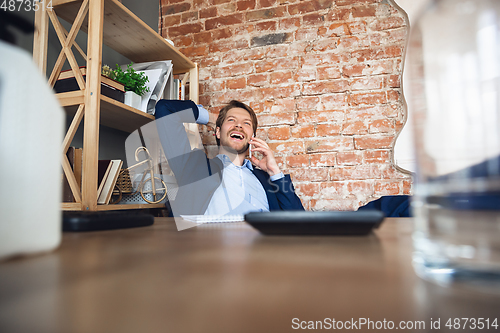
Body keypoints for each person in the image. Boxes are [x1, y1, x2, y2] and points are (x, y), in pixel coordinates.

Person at [154, 99, 304, 217]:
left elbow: (300, 223)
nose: (238, 125)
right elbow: (165, 108)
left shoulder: (266, 180)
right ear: (217, 132)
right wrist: (212, 118)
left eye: (246, 123)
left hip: (263, 252)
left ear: (252, 137)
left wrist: (275, 172)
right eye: (231, 120)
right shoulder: (195, 167)